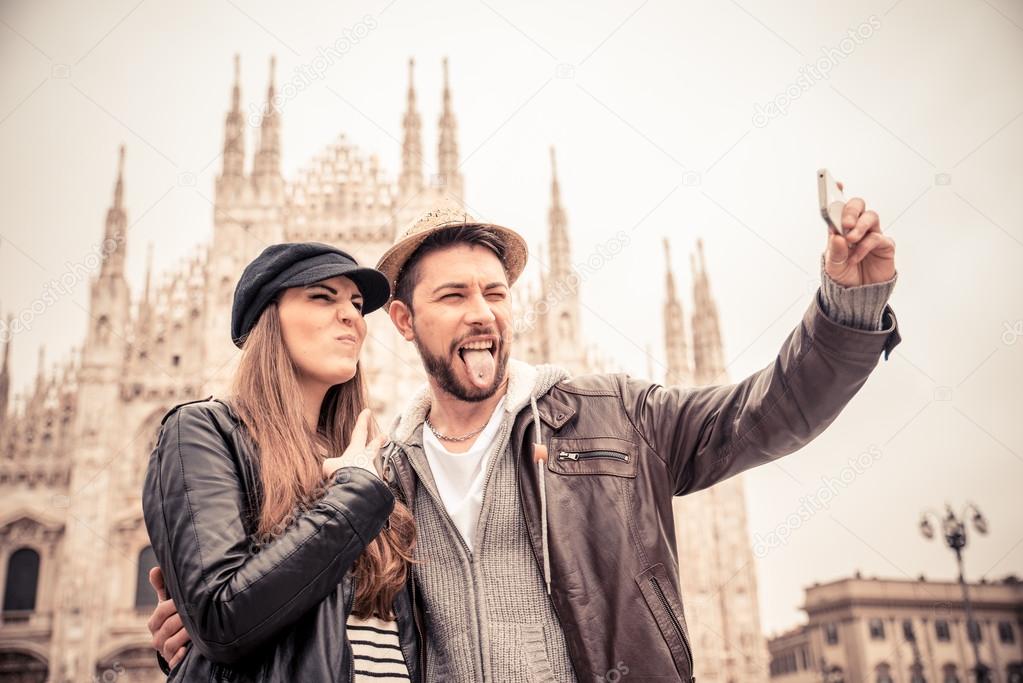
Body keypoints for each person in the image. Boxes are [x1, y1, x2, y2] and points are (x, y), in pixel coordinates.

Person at [151, 189, 901, 681]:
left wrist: (847, 305)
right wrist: (209, 646)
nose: (482, 311)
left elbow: (766, 413)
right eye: (453, 294)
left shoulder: (612, 415)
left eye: (495, 293)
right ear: (406, 322)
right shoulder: (381, 474)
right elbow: (309, 627)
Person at [142, 243, 418, 682]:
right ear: (268, 319)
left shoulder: (368, 456)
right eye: (323, 297)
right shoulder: (202, 431)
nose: (350, 315)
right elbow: (223, 618)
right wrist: (355, 494)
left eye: (357, 304)